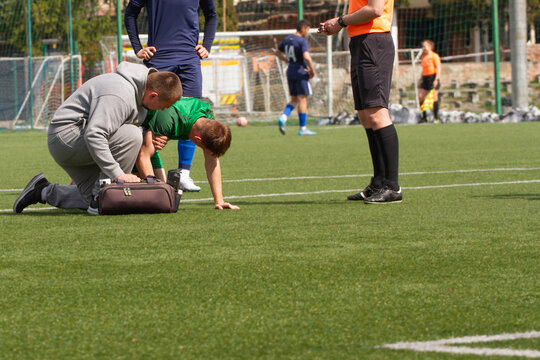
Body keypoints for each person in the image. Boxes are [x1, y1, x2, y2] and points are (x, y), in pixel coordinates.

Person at [13, 62, 182, 214]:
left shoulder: (140, 91)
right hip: (66, 137)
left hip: (77, 137)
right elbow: (95, 134)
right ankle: (101, 197)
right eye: (163, 106)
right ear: (153, 95)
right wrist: (117, 174)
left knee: (99, 197)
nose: (160, 110)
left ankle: (41, 190)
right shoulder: (120, 93)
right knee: (132, 135)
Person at [124, 0, 218, 192]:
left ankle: (184, 173)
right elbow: (130, 13)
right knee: (150, 121)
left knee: (191, 115)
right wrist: (137, 48)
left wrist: (206, 45)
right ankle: (144, 170)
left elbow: (212, 15)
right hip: (159, 57)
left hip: (190, 59)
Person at [319, 0, 402, 204]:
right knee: (365, 115)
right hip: (360, 41)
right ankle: (379, 182)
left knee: (376, 113)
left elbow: (375, 9)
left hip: (374, 42)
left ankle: (392, 186)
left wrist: (340, 21)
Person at [135, 97, 239, 210]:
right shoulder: (168, 118)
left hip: (150, 136)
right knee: (151, 192)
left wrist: (219, 201)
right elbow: (143, 155)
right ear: (198, 139)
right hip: (132, 128)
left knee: (164, 194)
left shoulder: (207, 115)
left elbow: (212, 161)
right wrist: (153, 194)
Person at [275, 20, 317, 136]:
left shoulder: (287, 39)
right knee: (302, 99)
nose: (308, 32)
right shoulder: (302, 41)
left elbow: (277, 52)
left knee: (293, 99)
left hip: (290, 71)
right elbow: (306, 57)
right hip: (300, 72)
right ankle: (303, 128)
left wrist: (287, 60)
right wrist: (312, 70)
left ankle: (283, 118)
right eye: (308, 29)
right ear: (303, 28)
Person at [418, 39, 441, 122]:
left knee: (434, 97)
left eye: (425, 46)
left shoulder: (434, 56)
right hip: (425, 78)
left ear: (430, 47)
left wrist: (436, 79)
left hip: (433, 77)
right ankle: (424, 117)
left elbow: (438, 68)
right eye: (423, 46)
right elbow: (423, 69)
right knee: (420, 97)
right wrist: (420, 80)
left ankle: (436, 117)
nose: (423, 48)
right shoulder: (423, 57)